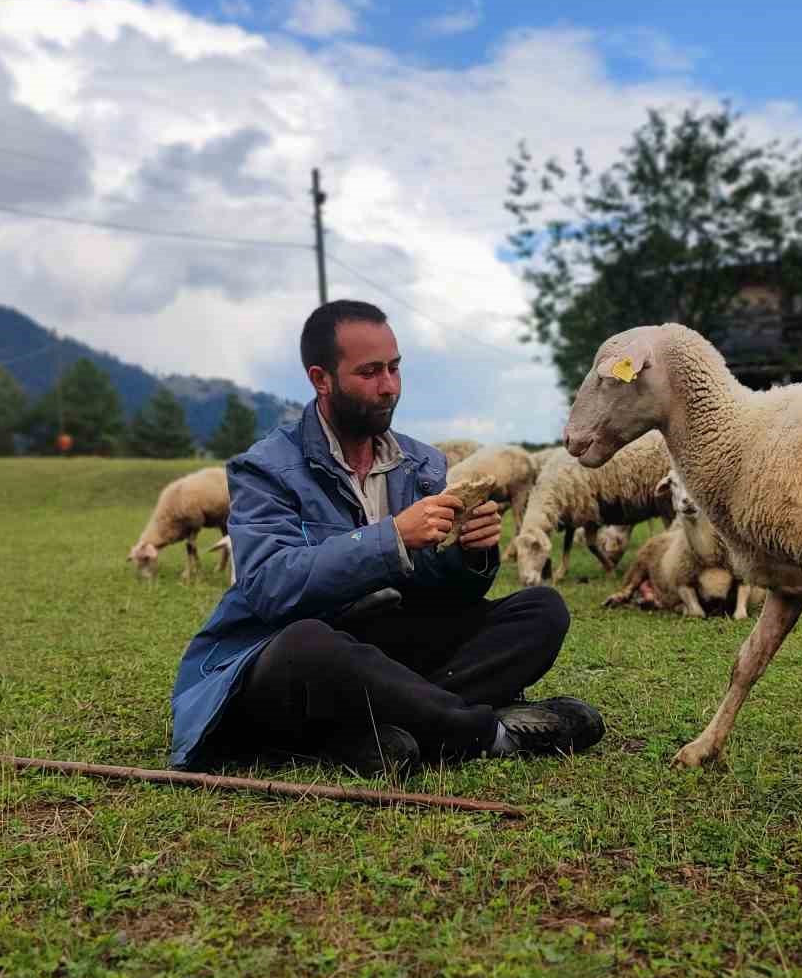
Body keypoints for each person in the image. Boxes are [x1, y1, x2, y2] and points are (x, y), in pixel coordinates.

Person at [168, 299, 605, 776]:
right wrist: (392, 537)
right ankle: (486, 734)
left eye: (395, 368)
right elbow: (271, 586)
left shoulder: (422, 465)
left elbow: (440, 593)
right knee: (311, 645)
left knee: (541, 610)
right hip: (294, 654)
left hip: (386, 647)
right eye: (370, 372)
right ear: (321, 379)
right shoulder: (265, 469)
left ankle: (374, 733)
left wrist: (470, 556)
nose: (389, 387)